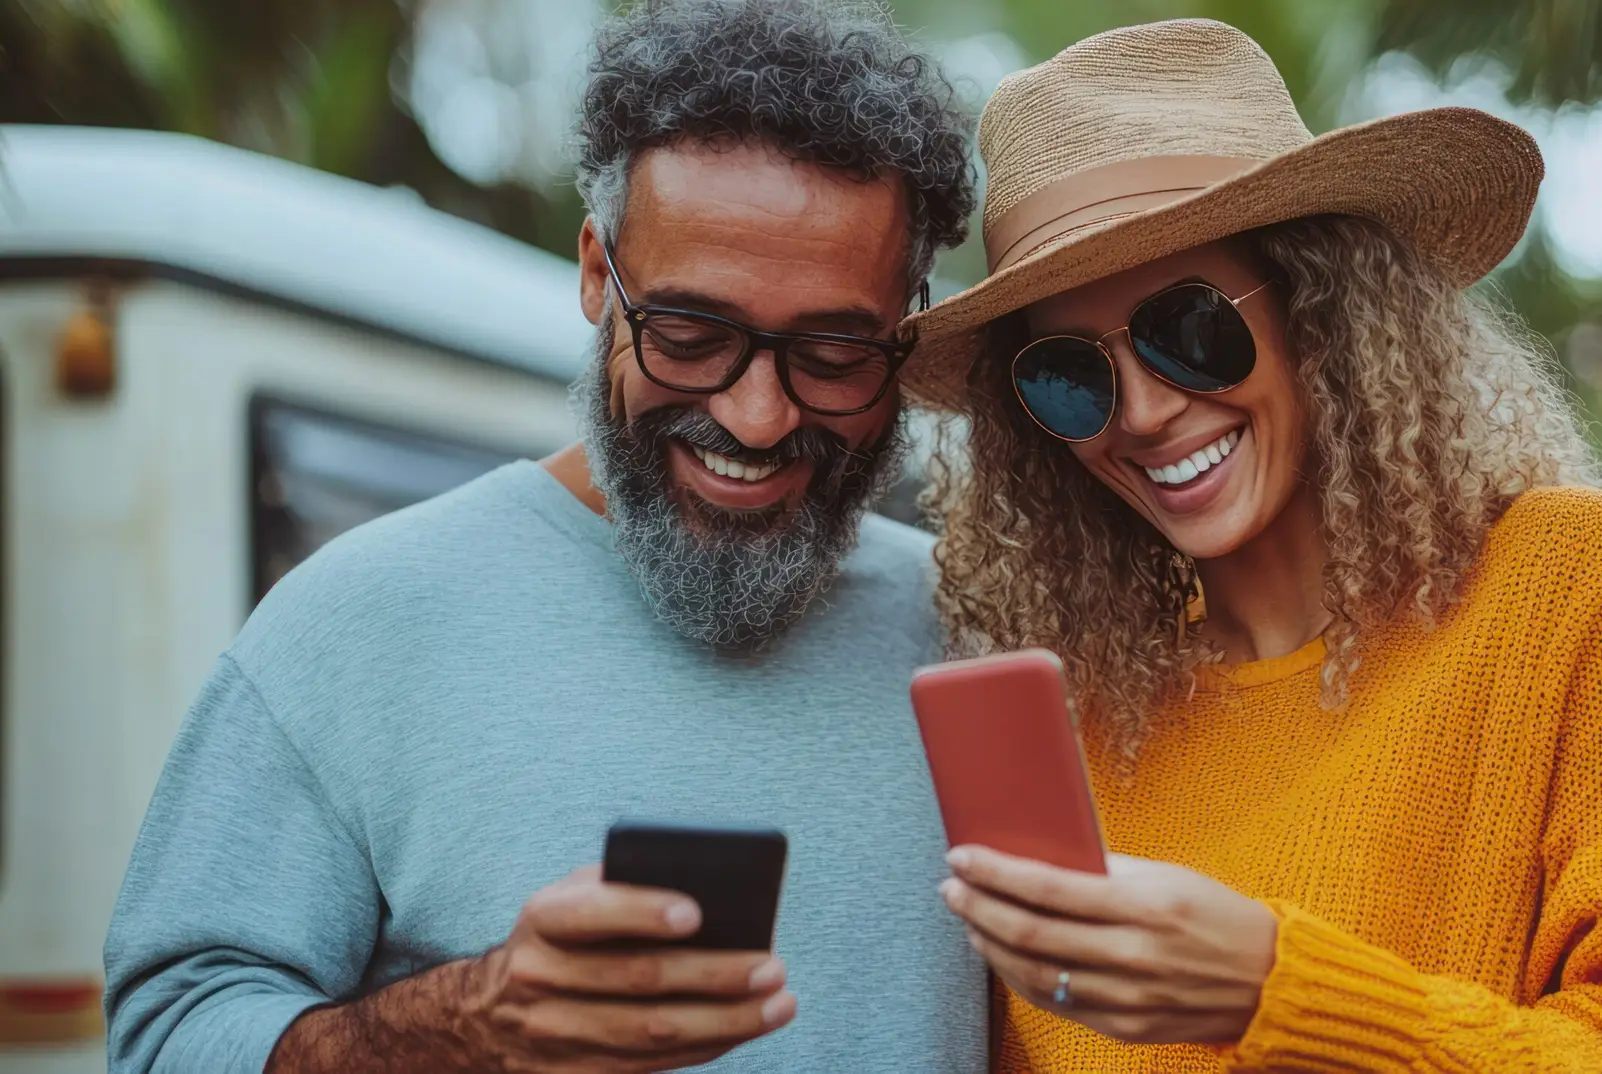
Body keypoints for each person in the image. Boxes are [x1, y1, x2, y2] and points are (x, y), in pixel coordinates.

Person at [905, 18, 1602, 1072]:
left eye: (1190, 328)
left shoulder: (1584, 589)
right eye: (1070, 374)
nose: (1148, 411)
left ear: (1320, 303)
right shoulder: (1086, 726)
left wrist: (1274, 991)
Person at [102, 2, 983, 1071]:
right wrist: (464, 1023)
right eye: (692, 336)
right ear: (593, 276)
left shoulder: (975, 632)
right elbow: (164, 1038)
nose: (759, 417)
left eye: (836, 355)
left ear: (908, 326)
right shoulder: (357, 622)